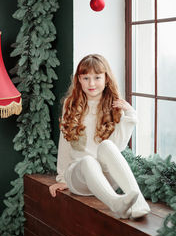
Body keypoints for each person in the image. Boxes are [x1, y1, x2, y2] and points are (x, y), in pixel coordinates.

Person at [49, 54, 150, 219]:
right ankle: (115, 203)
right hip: (79, 176)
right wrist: (62, 178)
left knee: (107, 146)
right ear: (79, 80)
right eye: (86, 78)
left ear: (106, 79)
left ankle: (139, 202)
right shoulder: (71, 104)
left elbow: (117, 148)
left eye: (97, 77)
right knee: (88, 161)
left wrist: (130, 114)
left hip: (106, 178)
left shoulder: (114, 105)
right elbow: (65, 142)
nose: (91, 83)